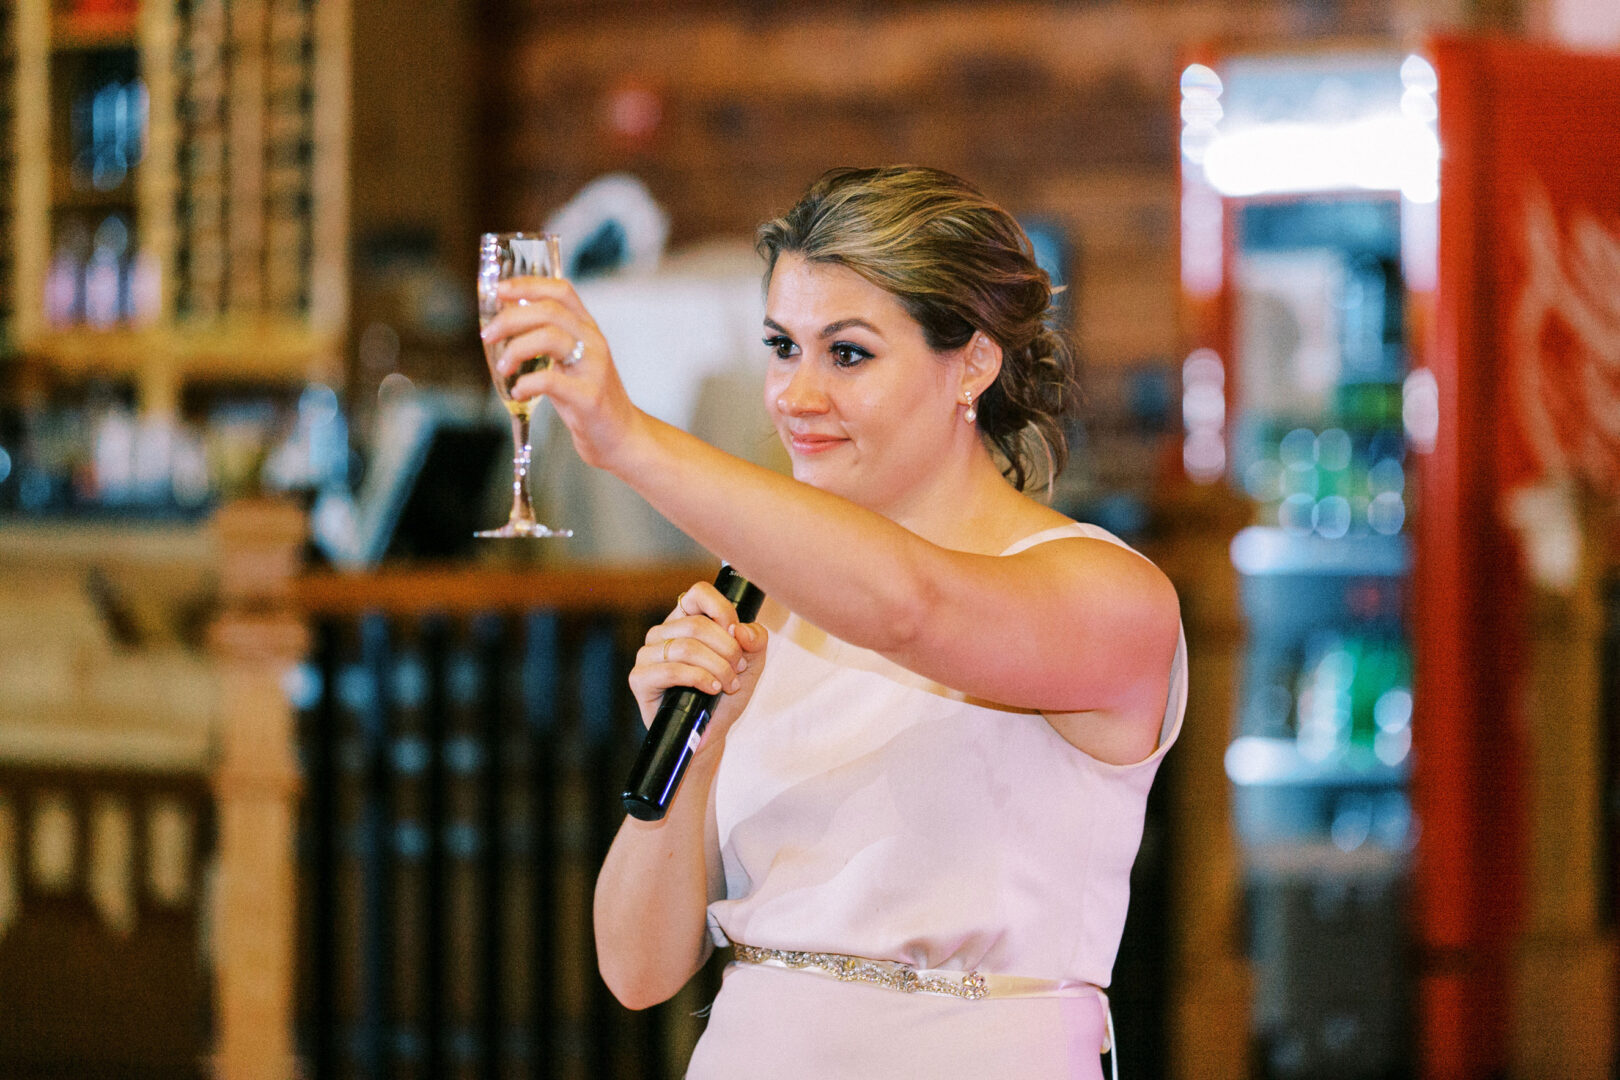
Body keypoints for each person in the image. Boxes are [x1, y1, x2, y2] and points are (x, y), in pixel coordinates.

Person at [481, 165, 1186, 1079]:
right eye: (782, 346)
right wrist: (687, 747)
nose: (795, 396)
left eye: (846, 353)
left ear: (971, 360)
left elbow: (911, 607)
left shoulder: (1106, 593)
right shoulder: (758, 594)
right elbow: (636, 971)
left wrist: (625, 436)